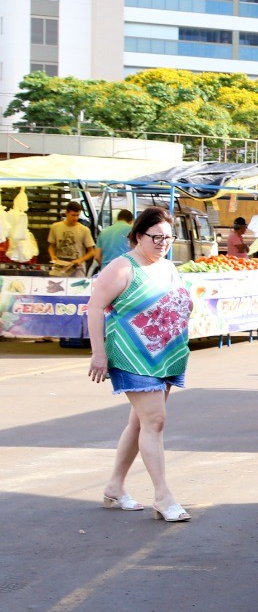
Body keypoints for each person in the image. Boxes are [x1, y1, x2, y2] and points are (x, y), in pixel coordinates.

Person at [85, 205, 194, 523]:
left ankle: (114, 486)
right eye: (156, 237)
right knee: (155, 421)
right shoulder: (122, 267)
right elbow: (94, 308)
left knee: (140, 423)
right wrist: (98, 354)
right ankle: (163, 496)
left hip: (167, 354)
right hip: (132, 355)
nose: (163, 242)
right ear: (138, 235)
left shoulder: (168, 267)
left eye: (169, 237)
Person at [48, 202, 98, 277]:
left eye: (77, 215)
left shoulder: (84, 230)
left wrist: (80, 260)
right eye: (73, 215)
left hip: (77, 270)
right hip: (59, 269)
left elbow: (91, 252)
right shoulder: (55, 227)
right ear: (66, 213)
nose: (75, 218)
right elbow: (51, 247)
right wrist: (52, 256)